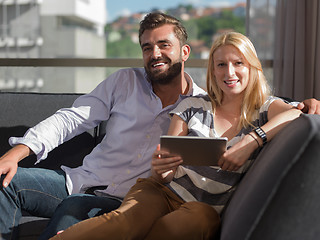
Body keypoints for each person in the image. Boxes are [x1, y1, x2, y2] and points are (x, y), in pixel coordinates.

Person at [0, 13, 318, 240]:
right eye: (147, 47)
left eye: (163, 45)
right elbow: (73, 118)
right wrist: (17, 153)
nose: (155, 54)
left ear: (184, 51)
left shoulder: (205, 102)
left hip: (124, 200)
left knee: (82, 210)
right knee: (8, 182)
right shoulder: (130, 83)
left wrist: (304, 106)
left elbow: (283, 109)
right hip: (80, 180)